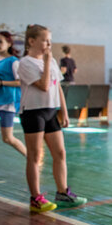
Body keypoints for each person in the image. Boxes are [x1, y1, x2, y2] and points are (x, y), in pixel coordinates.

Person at [18, 24, 87, 213]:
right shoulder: (25, 63)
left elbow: (57, 87)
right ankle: (36, 198)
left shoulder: (53, 61)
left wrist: (63, 111)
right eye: (45, 40)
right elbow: (43, 86)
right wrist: (47, 61)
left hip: (50, 111)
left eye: (50, 40)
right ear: (32, 41)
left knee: (60, 153)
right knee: (34, 156)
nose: (49, 44)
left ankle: (63, 192)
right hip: (33, 112)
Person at [0, 31, 27, 181]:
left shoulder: (13, 62)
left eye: (0, 41)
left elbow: (21, 82)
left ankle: (31, 158)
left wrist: (1, 82)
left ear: (9, 44)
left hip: (7, 103)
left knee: (7, 138)